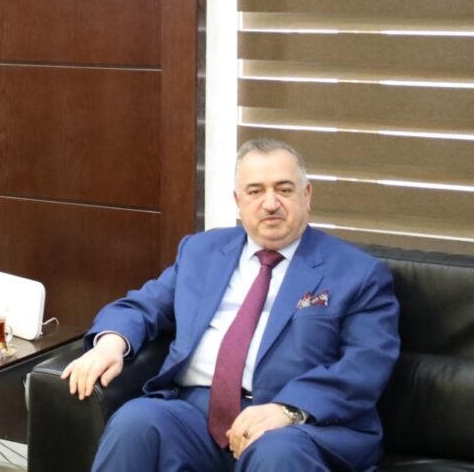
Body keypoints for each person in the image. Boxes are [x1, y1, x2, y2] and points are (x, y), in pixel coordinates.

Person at [61, 139, 399, 471]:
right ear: (238, 201)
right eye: (255, 191)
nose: (270, 203)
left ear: (306, 195)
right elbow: (143, 306)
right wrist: (111, 344)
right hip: (197, 413)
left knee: (276, 453)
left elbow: (366, 363)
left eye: (283, 189)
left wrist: (288, 410)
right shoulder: (201, 252)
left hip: (300, 423)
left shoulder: (357, 272)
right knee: (136, 422)